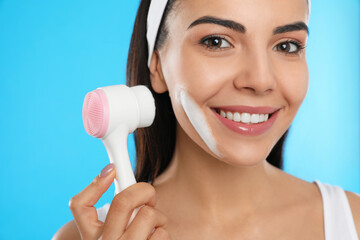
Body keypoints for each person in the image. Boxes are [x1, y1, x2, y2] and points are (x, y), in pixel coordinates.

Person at [53, 0, 360, 239]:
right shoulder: (84, 237)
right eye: (216, 42)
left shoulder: (353, 221)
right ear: (157, 66)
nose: (261, 80)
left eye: (286, 46)